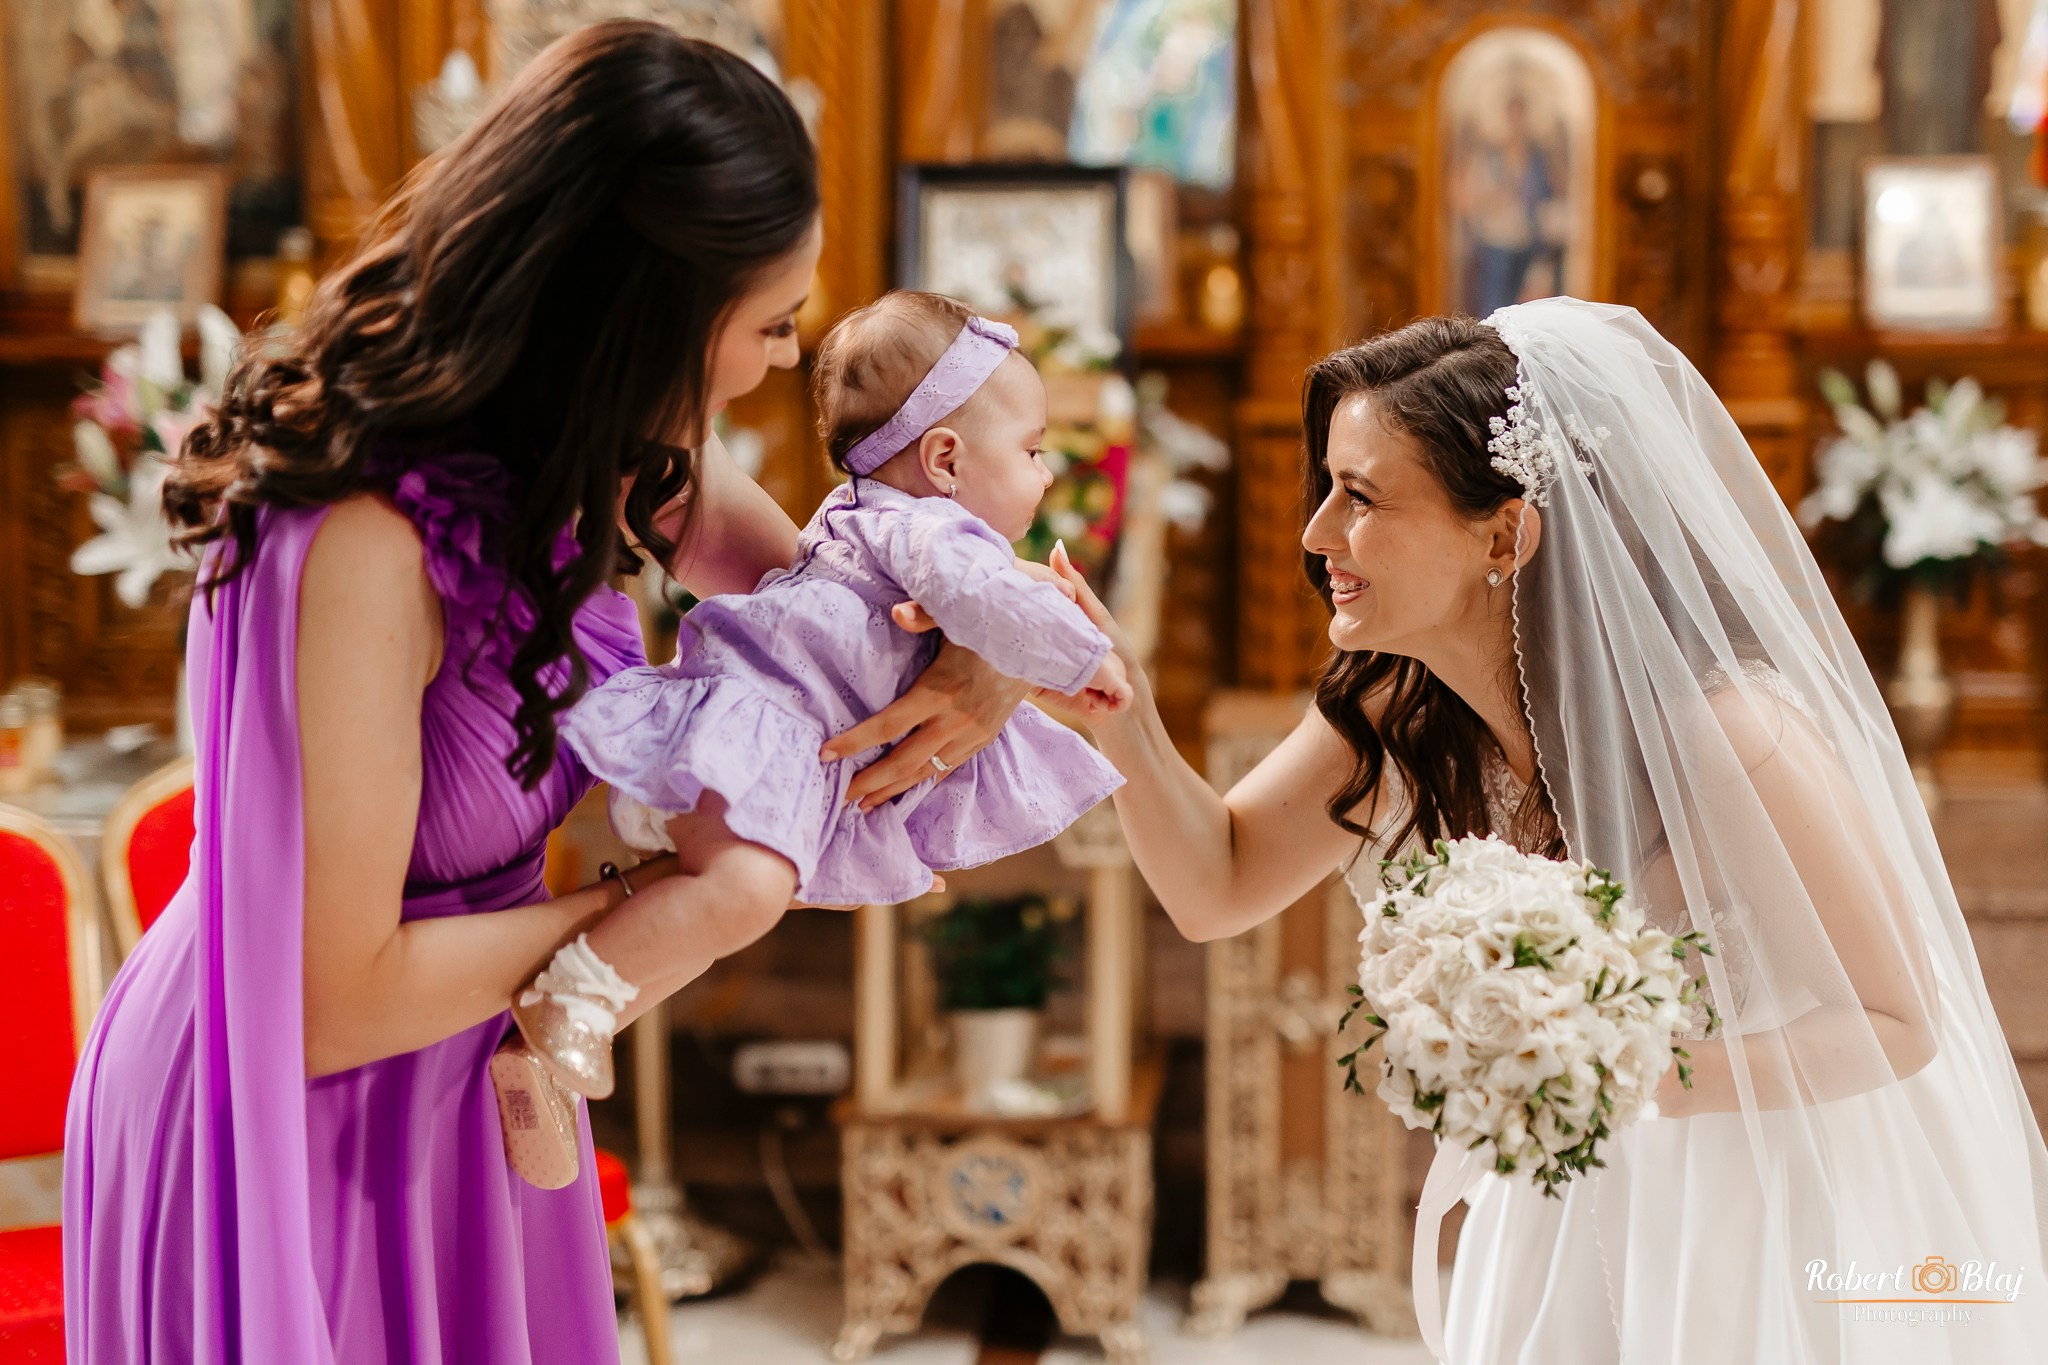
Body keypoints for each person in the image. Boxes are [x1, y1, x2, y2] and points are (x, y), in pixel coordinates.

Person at [63, 24, 1030, 1364]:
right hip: (298, 1098)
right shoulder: (357, 547)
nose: (770, 364)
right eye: (766, 325)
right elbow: (333, 995)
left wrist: (984, 650)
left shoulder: (612, 444)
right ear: (635, 313)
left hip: (470, 1077)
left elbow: (831, 597)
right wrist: (652, 912)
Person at [1045, 299, 2048, 1362]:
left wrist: (1594, 1071)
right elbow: (1217, 887)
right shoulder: (1398, 707)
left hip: (1762, 1200)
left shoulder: (1729, 737)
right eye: (1326, 490)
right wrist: (1125, 715)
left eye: (1360, 497)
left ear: (1504, 533)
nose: (1314, 535)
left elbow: (1897, 1022)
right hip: (1569, 1189)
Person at [511, 290, 1132, 1102]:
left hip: (760, 732)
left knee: (712, 914)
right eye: (1032, 449)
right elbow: (990, 601)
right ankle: (569, 1001)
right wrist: (1088, 659)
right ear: (944, 462)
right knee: (742, 896)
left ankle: (563, 1036)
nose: (1046, 472)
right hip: (767, 731)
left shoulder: (855, 514)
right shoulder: (931, 533)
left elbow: (955, 614)